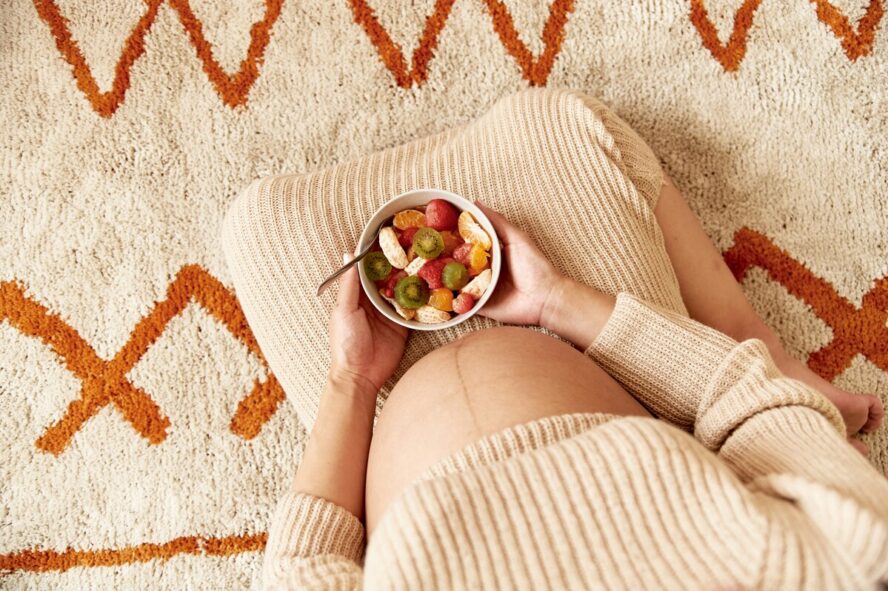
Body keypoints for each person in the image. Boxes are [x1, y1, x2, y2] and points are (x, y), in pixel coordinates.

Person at [222, 89, 886, 590]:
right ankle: (768, 345)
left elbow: (304, 566)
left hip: (376, 396)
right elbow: (748, 405)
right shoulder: (832, 569)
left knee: (260, 225)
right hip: (607, 353)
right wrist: (561, 299)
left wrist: (352, 380)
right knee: (561, 123)